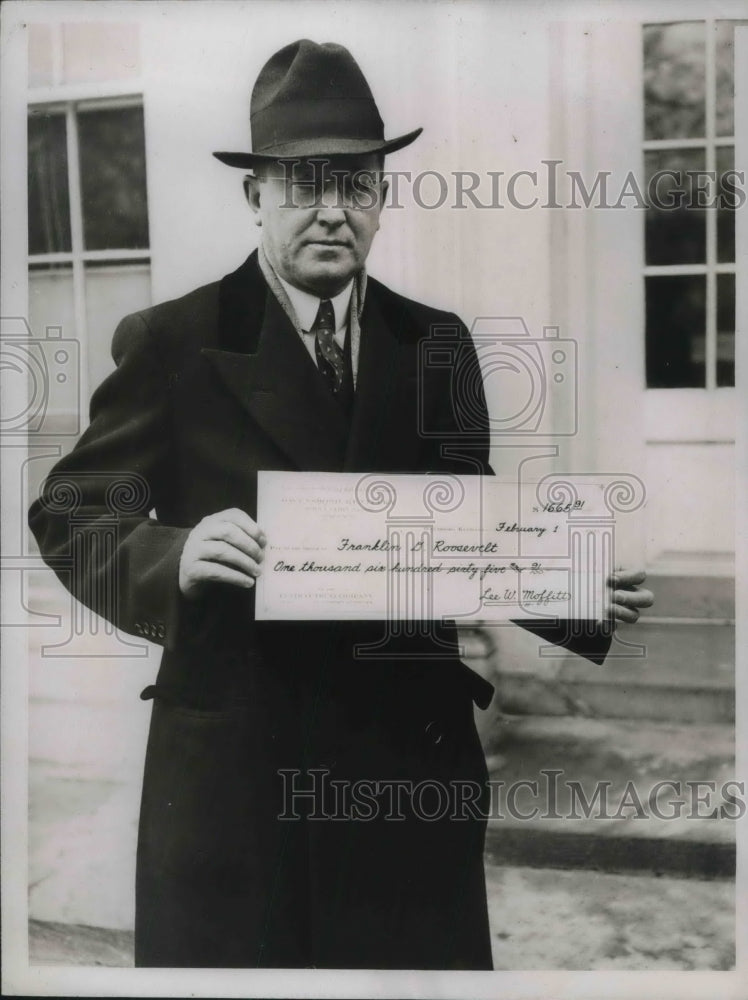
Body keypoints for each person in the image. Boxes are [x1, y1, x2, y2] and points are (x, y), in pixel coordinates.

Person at [28, 39, 652, 970]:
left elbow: (460, 524)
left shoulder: (433, 342)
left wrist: (565, 582)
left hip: (408, 775)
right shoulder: (176, 341)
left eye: (355, 184)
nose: (332, 210)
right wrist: (173, 554)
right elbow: (71, 510)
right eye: (303, 183)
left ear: (382, 196)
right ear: (256, 194)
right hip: (240, 785)